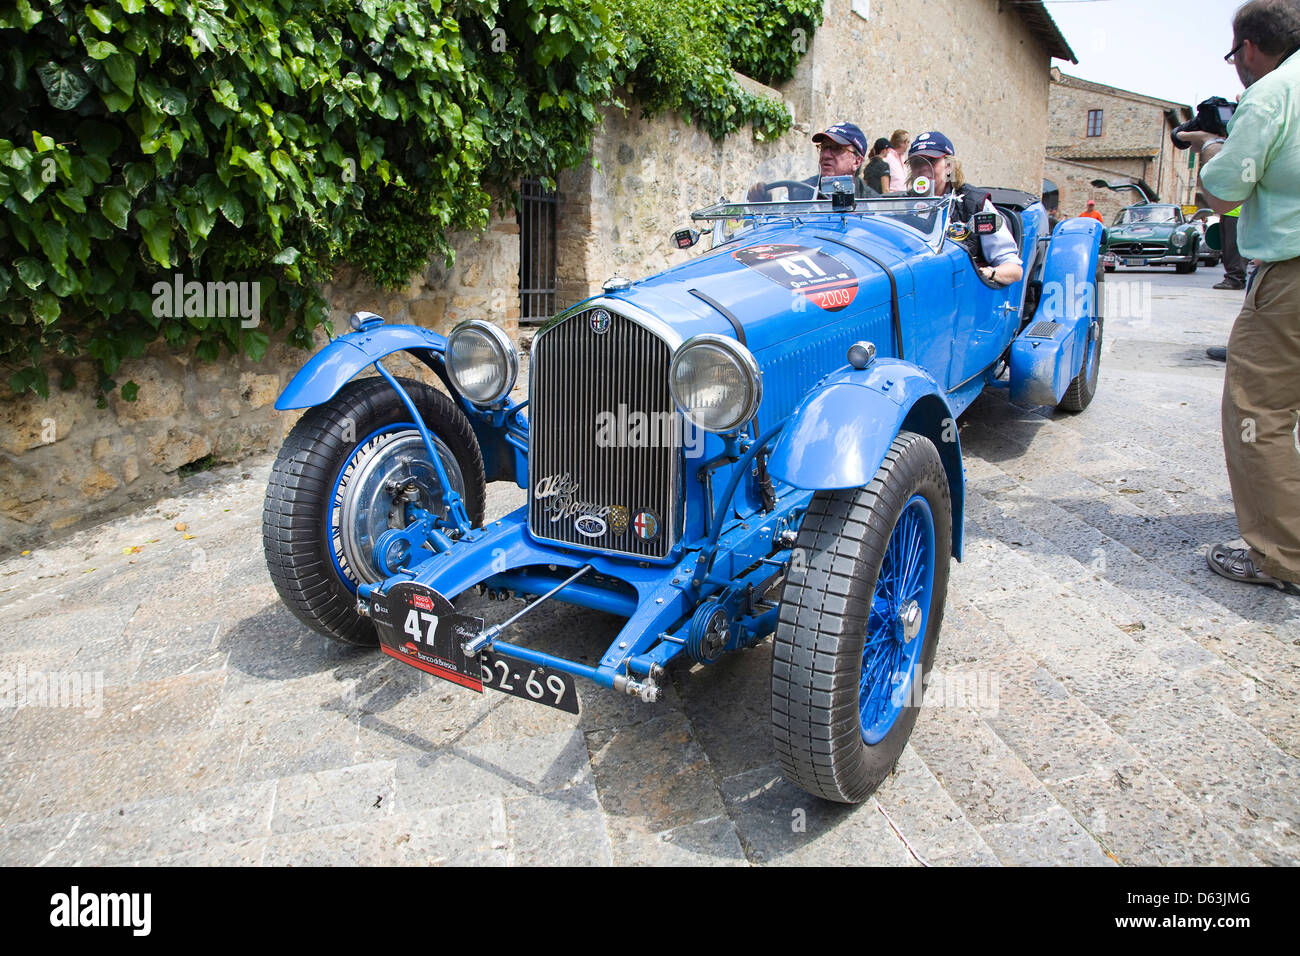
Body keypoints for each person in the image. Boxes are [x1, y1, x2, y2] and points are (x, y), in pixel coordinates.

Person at [1180, 0, 1300, 594]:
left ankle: (1281, 557)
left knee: (1259, 409)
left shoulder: (1274, 91)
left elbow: (1224, 193)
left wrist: (1208, 149)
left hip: (1291, 272)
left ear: (1250, 48)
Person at [906, 131, 1024, 286]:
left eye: (930, 162)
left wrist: (988, 272)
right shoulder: (902, 205)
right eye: (916, 163)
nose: (922, 169)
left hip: (962, 292)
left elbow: (1013, 269)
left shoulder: (975, 204)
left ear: (949, 166)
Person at [747, 122, 876, 201]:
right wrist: (763, 206)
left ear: (857, 161)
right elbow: (778, 229)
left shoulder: (873, 203)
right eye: (824, 148)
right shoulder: (797, 192)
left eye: (836, 148)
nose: (826, 154)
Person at [1215, 205, 1247, 289]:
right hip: (1228, 211)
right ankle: (1234, 277)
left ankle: (1236, 278)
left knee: (1233, 247)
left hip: (1238, 213)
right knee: (1228, 248)